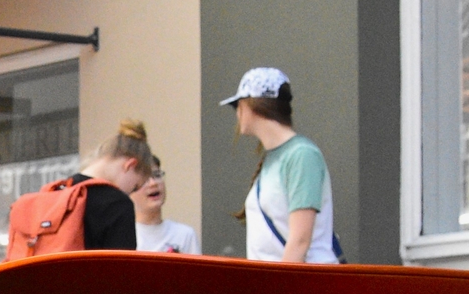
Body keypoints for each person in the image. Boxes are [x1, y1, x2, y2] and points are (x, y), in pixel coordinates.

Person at [224, 68, 338, 262]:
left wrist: (280, 289)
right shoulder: (279, 157)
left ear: (251, 105)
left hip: (300, 287)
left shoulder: (301, 155)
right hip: (277, 285)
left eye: (237, 105)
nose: (237, 113)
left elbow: (300, 241)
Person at [4, 120, 150, 255]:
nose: (130, 192)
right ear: (130, 165)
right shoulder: (117, 204)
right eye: (135, 187)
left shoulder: (55, 193)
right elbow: (122, 271)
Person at [132, 155, 200, 253]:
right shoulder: (122, 238)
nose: (153, 183)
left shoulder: (184, 235)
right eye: (144, 178)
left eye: (157, 175)